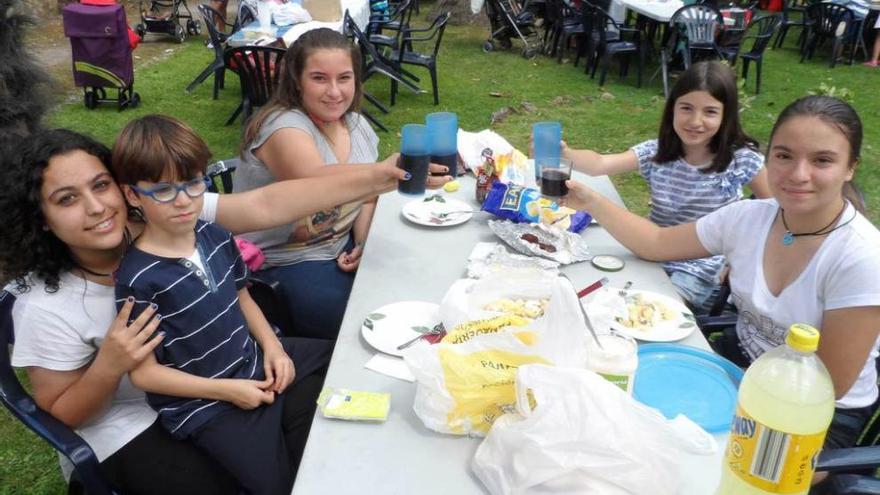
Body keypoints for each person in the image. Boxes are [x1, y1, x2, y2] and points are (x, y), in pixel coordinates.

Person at [0, 125, 428, 493]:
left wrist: (376, 178)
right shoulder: (45, 306)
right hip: (131, 423)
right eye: (66, 199)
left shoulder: (167, 214)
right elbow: (64, 415)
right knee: (236, 483)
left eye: (99, 185)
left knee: (323, 431)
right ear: (41, 217)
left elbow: (264, 205)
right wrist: (109, 364)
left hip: (222, 369)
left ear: (122, 187)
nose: (95, 208)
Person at [563, 95, 880, 455]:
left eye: (822, 160)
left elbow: (826, 387)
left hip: (816, 417)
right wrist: (590, 201)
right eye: (784, 155)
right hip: (737, 367)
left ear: (850, 167)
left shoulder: (861, 257)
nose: (798, 174)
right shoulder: (749, 218)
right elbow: (656, 242)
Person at [111, 115, 332, 494]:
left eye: (193, 183)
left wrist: (274, 348)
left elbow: (241, 294)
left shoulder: (213, 233)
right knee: (278, 486)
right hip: (209, 405)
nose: (183, 201)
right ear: (132, 195)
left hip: (253, 361)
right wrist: (230, 390)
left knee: (339, 356)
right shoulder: (137, 279)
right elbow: (145, 375)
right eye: (163, 190)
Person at [234, 28, 449, 339]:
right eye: (319, 78)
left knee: (417, 285)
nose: (334, 91)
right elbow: (312, 181)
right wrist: (380, 173)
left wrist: (363, 242)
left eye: (344, 78)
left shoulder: (357, 124)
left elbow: (366, 198)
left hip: (339, 246)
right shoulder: (284, 126)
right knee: (372, 326)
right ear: (296, 80)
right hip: (282, 263)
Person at [560, 61, 770, 314]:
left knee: (646, 313)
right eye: (686, 108)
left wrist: (745, 260)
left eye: (710, 112)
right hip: (650, 251)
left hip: (698, 271)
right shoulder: (658, 152)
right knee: (594, 291)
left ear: (727, 115)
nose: (696, 121)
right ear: (672, 109)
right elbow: (600, 164)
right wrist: (566, 153)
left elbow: (776, 213)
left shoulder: (741, 160)